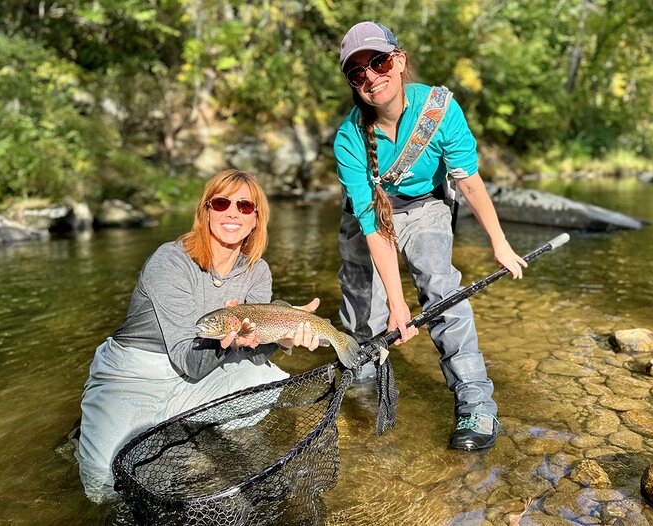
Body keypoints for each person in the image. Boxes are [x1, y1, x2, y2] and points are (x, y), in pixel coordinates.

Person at [334, 22, 527, 451]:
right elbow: (372, 224)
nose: (371, 76)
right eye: (357, 72)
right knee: (365, 307)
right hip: (366, 220)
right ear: (352, 83)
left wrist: (499, 241)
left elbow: (471, 184)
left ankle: (476, 403)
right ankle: (364, 391)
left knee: (442, 292)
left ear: (399, 61)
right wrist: (397, 303)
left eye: (379, 61)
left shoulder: (440, 110)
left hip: (426, 206)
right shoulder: (348, 140)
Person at [76, 169, 321, 502]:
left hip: (199, 373)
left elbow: (252, 350)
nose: (232, 212)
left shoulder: (256, 271)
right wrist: (227, 343)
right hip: (134, 373)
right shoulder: (170, 262)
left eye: (245, 206)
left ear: (255, 220)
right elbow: (189, 359)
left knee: (260, 378)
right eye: (221, 203)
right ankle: (93, 428)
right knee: (105, 488)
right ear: (206, 212)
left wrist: (282, 339)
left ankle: (187, 433)